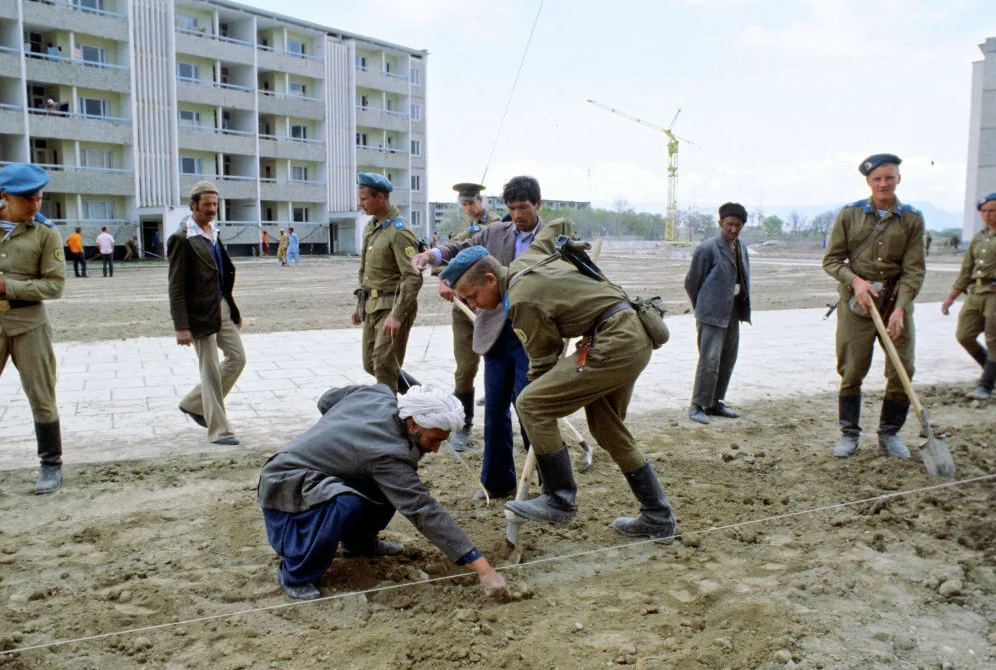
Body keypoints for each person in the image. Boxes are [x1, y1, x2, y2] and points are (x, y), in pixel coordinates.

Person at [445, 229, 679, 542]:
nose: (472, 304)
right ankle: (658, 515)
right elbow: (555, 226)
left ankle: (559, 498)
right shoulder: (525, 260)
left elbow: (542, 364)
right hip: (630, 334)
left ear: (490, 279)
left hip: (615, 341)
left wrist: (540, 397)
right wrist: (567, 243)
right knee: (607, 428)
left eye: (472, 295)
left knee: (531, 403)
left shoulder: (520, 301)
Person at [257, 384, 510, 601]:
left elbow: (327, 400)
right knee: (344, 502)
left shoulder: (379, 393)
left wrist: (343, 434)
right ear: (412, 425)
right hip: (287, 484)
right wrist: (483, 569)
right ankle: (295, 575)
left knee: (382, 485)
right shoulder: (389, 454)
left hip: (321, 473)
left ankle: (358, 544)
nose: (434, 450)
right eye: (433, 440)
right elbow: (423, 510)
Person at [412, 177, 540, 497]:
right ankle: (496, 482)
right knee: (495, 409)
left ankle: (552, 486)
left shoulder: (552, 239)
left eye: (523, 208)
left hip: (533, 335)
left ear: (537, 205)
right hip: (496, 331)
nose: (517, 215)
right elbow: (460, 247)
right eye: (512, 208)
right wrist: (433, 256)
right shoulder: (495, 233)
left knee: (530, 409)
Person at [822, 154, 926, 460]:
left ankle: (889, 434)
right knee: (852, 368)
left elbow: (914, 269)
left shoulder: (912, 218)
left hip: (894, 303)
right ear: (868, 182)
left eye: (889, 177)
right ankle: (849, 434)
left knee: (902, 367)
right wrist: (855, 281)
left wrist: (901, 308)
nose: (884, 183)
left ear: (898, 179)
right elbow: (831, 260)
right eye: (877, 178)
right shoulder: (849, 214)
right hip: (857, 306)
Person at [418, 182, 501, 453]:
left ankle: (498, 430)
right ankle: (464, 427)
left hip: (489, 308)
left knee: (497, 368)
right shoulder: (467, 231)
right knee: (465, 368)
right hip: (462, 309)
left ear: (482, 200)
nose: (468, 208)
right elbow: (449, 256)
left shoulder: (497, 227)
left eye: (472, 203)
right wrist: (445, 279)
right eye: (464, 204)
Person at [0, 163, 66, 494]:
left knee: (41, 394)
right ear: (3, 196)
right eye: (28, 200)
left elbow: (54, 286)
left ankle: (51, 465)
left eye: (39, 199)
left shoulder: (45, 232)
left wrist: (7, 286)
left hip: (29, 323)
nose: (35, 206)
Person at [168, 180, 246, 446]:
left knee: (238, 358)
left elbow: (223, 274)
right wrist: (181, 326)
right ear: (193, 205)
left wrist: (232, 309)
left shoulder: (214, 232)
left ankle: (193, 403)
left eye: (215, 204)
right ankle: (219, 430)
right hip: (199, 315)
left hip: (222, 308)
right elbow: (176, 286)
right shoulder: (182, 239)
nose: (212, 209)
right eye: (207, 205)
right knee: (210, 370)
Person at [352, 172, 422, 393]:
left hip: (392, 305)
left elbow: (413, 277)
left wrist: (398, 314)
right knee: (370, 364)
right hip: (372, 306)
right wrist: (359, 306)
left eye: (364, 199)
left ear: (380, 197)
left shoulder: (399, 232)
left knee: (383, 367)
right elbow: (365, 271)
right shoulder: (371, 227)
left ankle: (388, 420)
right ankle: (417, 392)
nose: (360, 203)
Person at [684, 202, 752, 424]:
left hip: (732, 313)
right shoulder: (708, 248)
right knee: (709, 361)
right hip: (711, 314)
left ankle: (715, 403)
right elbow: (692, 283)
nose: (733, 229)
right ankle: (697, 405)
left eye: (738, 225)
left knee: (727, 359)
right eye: (730, 224)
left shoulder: (741, 247)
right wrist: (703, 308)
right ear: (720, 223)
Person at [941, 192, 996, 399]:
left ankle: (986, 385)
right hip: (976, 293)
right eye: (984, 211)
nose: (987, 215)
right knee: (964, 335)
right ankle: (992, 373)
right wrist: (951, 297)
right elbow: (966, 271)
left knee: (994, 341)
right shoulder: (979, 238)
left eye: (992, 211)